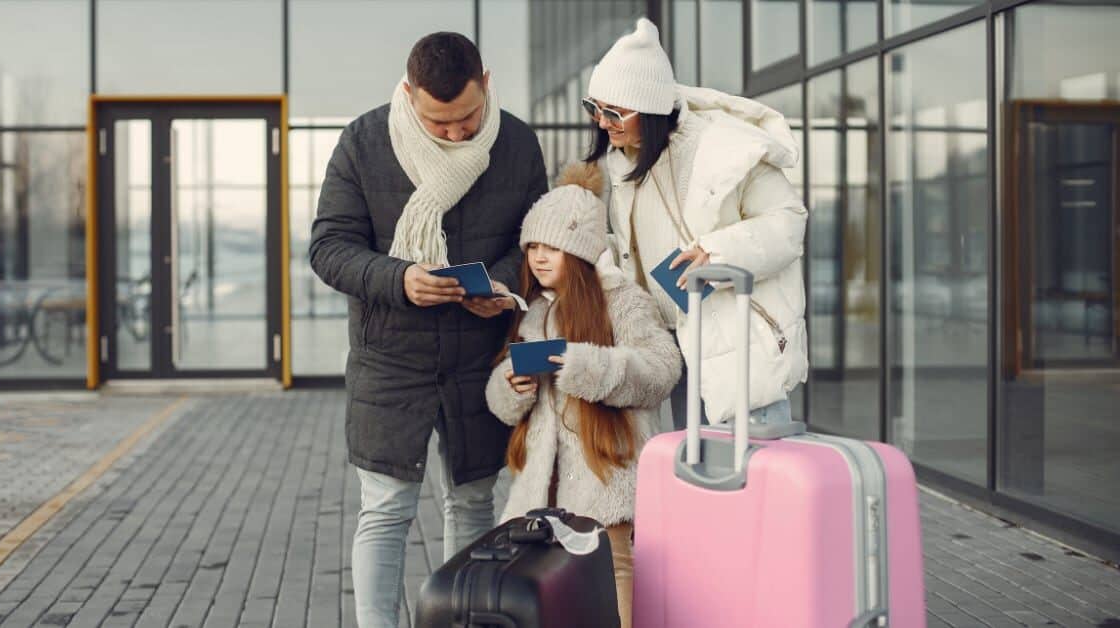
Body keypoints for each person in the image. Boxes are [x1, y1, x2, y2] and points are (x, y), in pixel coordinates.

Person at [308, 32, 547, 628]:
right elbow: (328, 248)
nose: (456, 134)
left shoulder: (517, 143)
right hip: (388, 360)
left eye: (466, 118)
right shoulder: (363, 142)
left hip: (480, 357)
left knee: (472, 502)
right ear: (410, 94)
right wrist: (400, 278)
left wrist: (500, 283)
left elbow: (538, 245)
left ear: (487, 83)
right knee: (386, 508)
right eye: (438, 123)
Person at [583, 18, 809, 429]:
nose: (601, 121)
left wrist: (717, 254)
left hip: (733, 342)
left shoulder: (727, 148)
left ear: (650, 108)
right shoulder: (624, 158)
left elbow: (788, 223)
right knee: (694, 476)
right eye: (593, 108)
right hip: (670, 344)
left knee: (747, 475)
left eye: (613, 112)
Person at [485, 163, 681, 628]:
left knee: (614, 579)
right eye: (532, 245)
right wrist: (511, 386)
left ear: (580, 249)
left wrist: (584, 365)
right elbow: (502, 403)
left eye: (551, 246)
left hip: (606, 480)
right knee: (553, 595)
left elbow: (661, 369)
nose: (538, 257)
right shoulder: (532, 312)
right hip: (542, 492)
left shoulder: (623, 302)